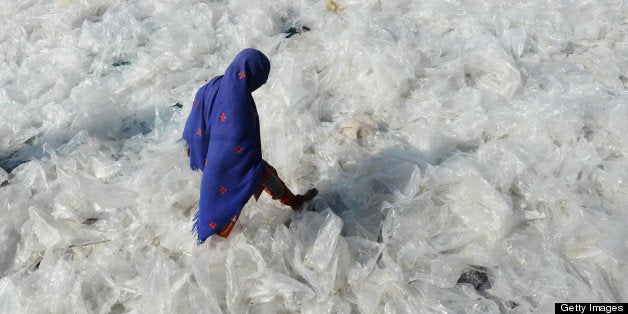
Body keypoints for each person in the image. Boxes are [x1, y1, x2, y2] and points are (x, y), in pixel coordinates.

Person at [183, 48, 317, 244]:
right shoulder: (240, 106)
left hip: (212, 152)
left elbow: (198, 111)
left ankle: (294, 201)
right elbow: (238, 148)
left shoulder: (213, 84)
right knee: (233, 199)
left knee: (264, 173)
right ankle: (213, 243)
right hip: (227, 162)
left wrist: (194, 145)